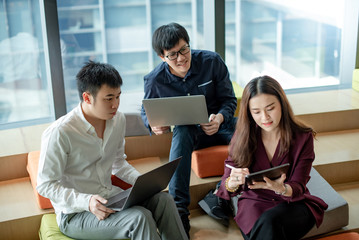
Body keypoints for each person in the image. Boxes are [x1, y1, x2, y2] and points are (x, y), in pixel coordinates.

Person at [37, 61, 188, 240]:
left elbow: (118, 164)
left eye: (118, 96)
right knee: (139, 218)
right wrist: (87, 201)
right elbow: (45, 185)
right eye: (108, 98)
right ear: (87, 98)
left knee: (163, 200)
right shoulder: (60, 132)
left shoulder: (118, 120)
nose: (115, 104)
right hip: (75, 215)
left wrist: (143, 184)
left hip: (111, 198)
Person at [140, 22, 238, 235]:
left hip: (220, 125)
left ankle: (219, 195)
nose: (181, 58)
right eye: (172, 55)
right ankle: (179, 211)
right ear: (162, 57)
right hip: (189, 133)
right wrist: (153, 125)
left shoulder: (212, 62)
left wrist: (220, 117)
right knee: (182, 131)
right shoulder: (154, 79)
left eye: (185, 49)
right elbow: (145, 111)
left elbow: (229, 100)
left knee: (251, 131)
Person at [216, 75, 328, 240]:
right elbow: (227, 181)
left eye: (270, 108)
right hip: (254, 204)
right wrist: (232, 183)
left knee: (269, 222)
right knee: (266, 225)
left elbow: (298, 186)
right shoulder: (243, 136)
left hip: (293, 202)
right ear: (249, 112)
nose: (265, 117)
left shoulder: (303, 137)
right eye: (256, 112)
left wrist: (280, 188)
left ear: (282, 104)